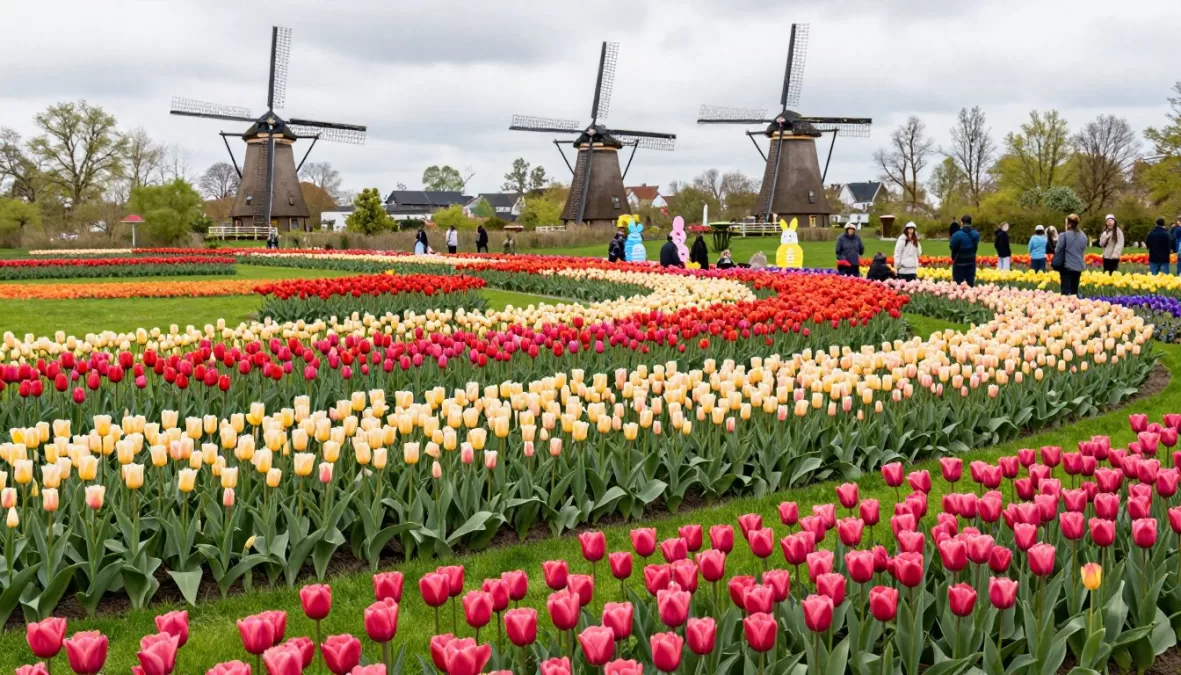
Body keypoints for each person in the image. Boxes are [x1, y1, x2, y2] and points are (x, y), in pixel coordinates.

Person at [1056, 214, 1087, 296]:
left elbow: (1058, 250)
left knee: (1065, 292)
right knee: (1074, 291)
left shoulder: (1063, 236)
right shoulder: (1083, 236)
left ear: (1069, 224)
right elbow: (1083, 250)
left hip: (1067, 266)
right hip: (1078, 266)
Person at [949, 214, 981, 286]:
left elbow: (952, 247)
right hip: (971, 261)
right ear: (971, 222)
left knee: (957, 286)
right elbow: (975, 247)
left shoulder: (956, 235)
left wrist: (954, 257)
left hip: (959, 262)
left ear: (962, 222)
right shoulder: (976, 234)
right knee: (970, 285)